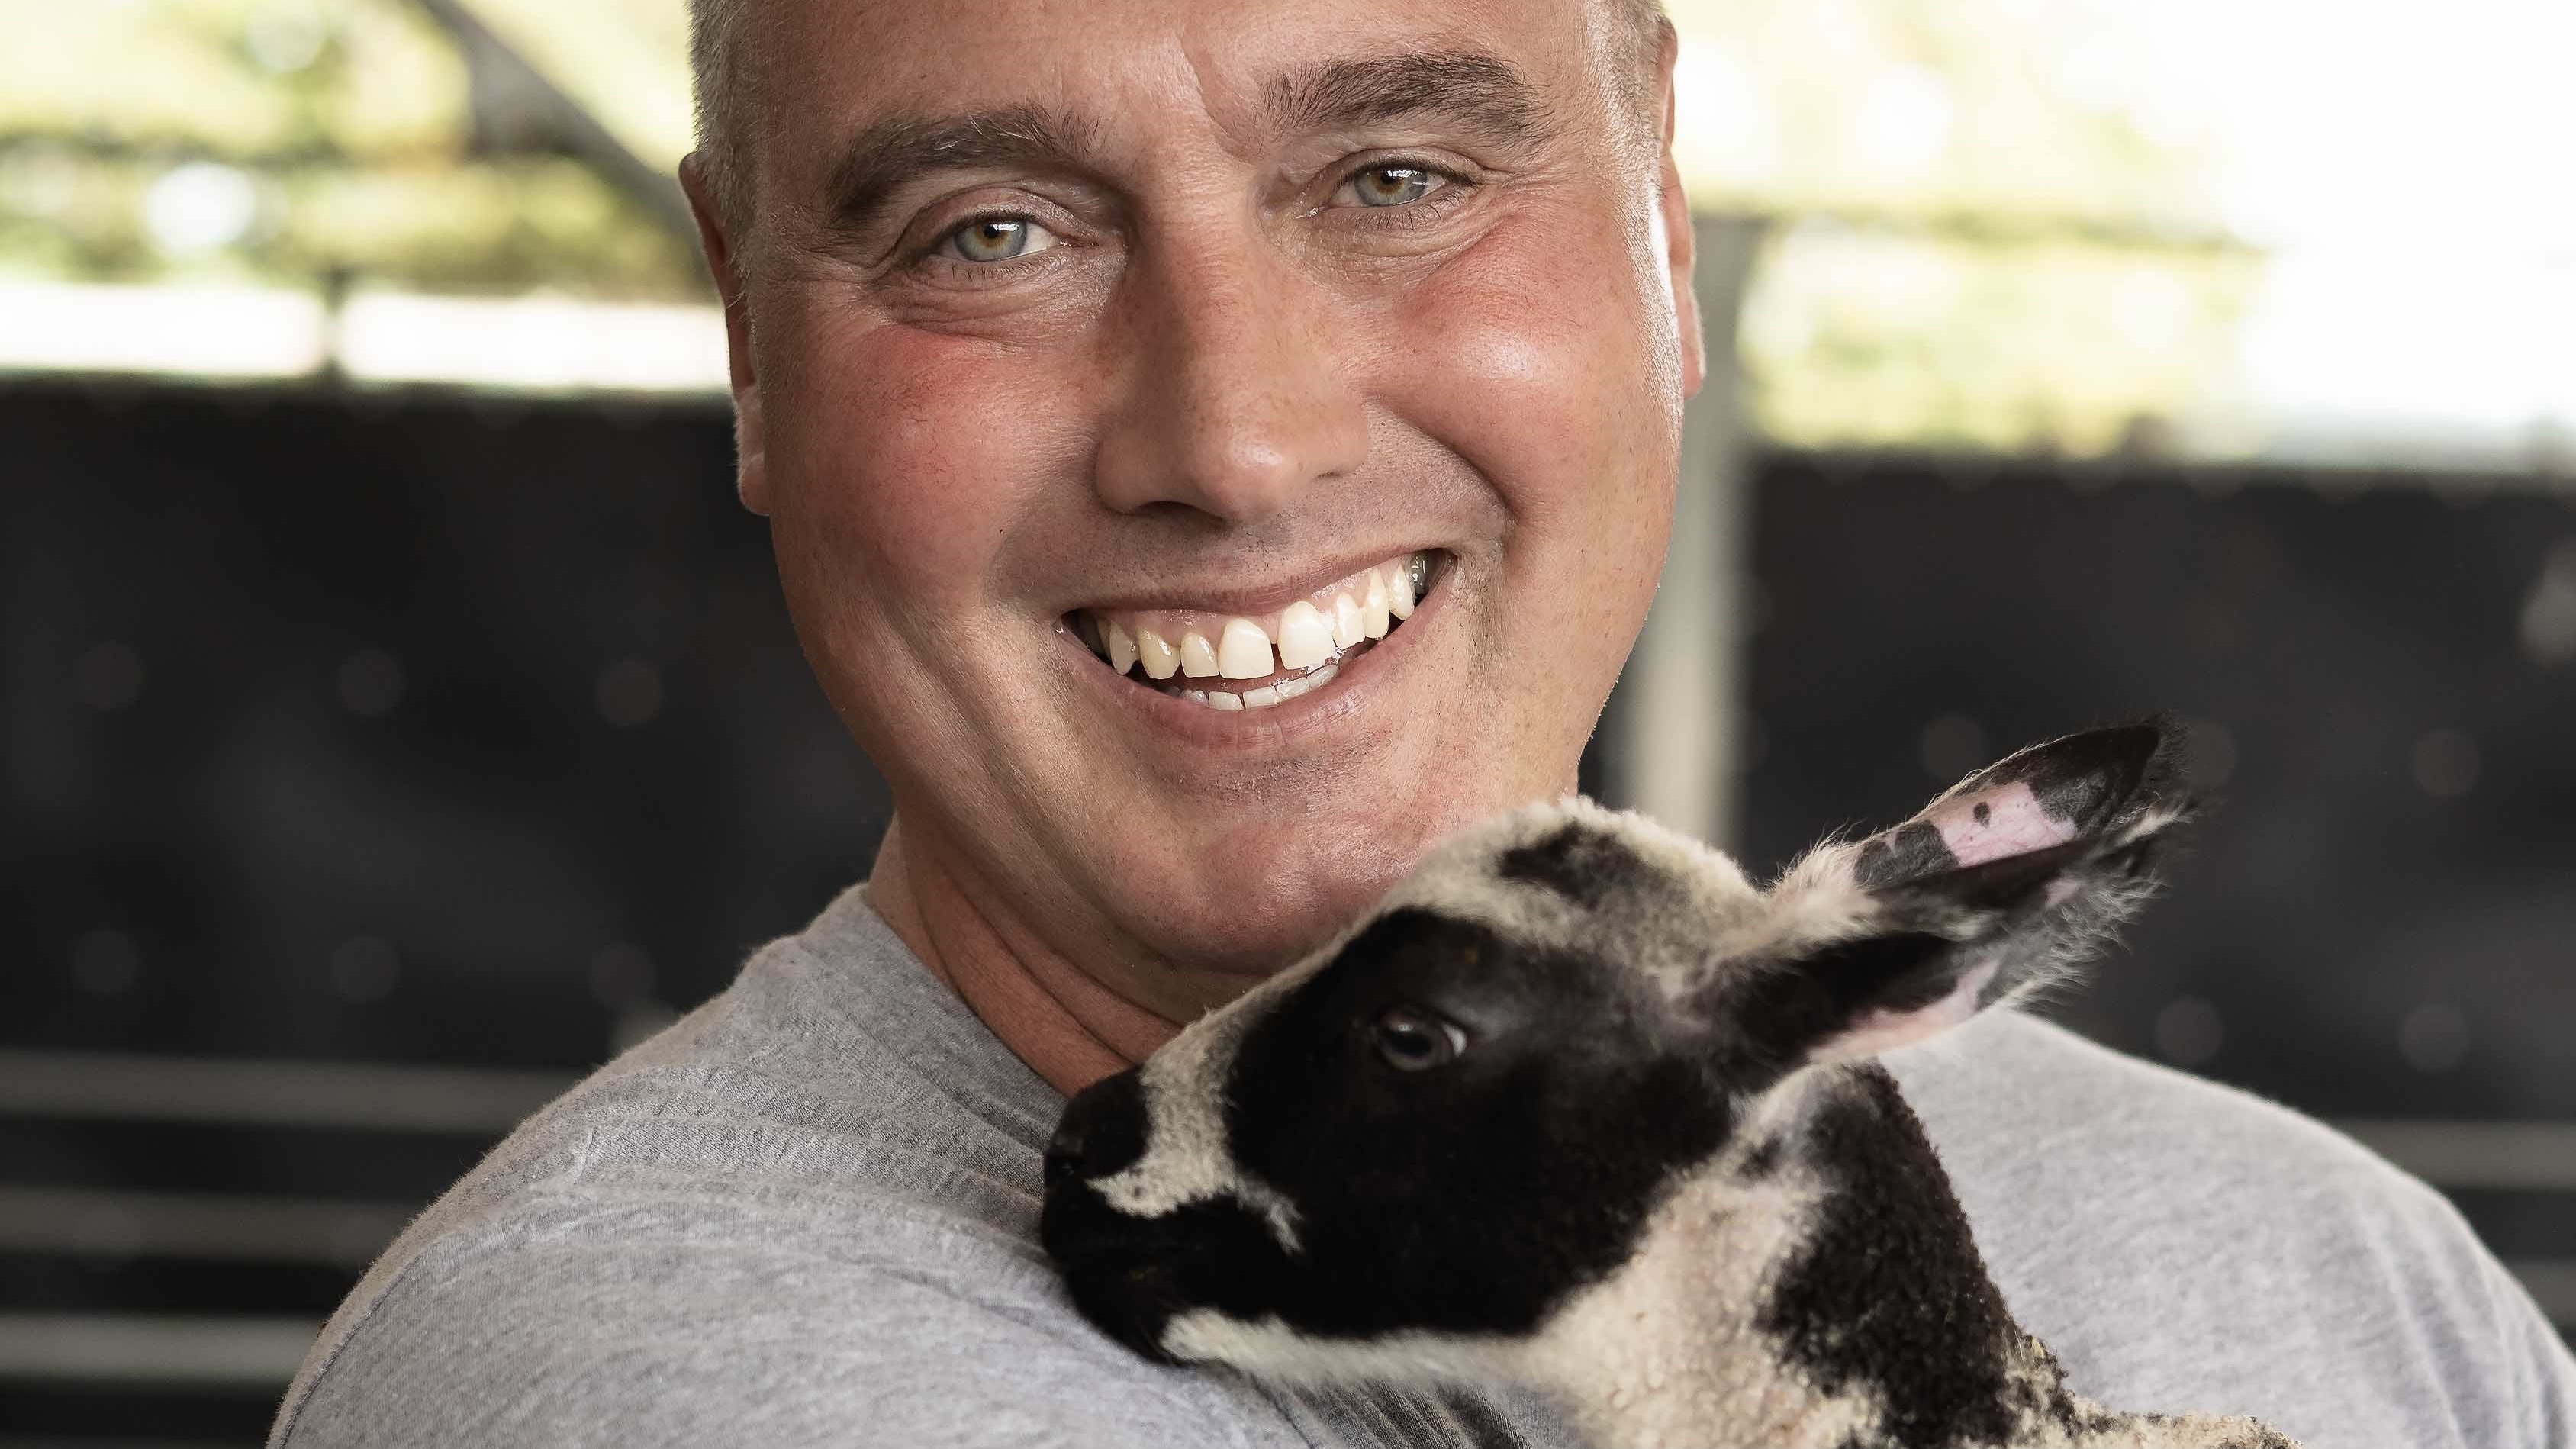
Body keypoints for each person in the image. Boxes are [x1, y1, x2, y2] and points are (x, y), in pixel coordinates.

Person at [266, 0, 2576, 1444]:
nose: (1240, 441)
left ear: (1663, 219)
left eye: (1401, 176)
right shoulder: (645, 1385)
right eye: (989, 229)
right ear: (753, 343)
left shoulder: (2347, 1285)